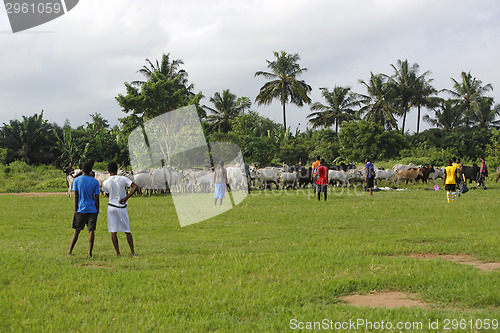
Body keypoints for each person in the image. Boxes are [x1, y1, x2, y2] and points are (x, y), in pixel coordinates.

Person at [102, 161, 138, 256]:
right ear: (117, 169)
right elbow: (135, 187)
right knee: (127, 230)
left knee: (113, 231)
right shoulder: (123, 179)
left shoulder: (105, 182)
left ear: (108, 171)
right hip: (122, 207)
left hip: (111, 207)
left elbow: (107, 193)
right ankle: (132, 252)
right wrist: (126, 198)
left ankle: (118, 253)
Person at [68, 161, 100, 257]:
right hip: (92, 209)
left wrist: (75, 209)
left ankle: (70, 251)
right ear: (91, 171)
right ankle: (90, 252)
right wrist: (97, 210)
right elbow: (97, 197)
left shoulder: (77, 181)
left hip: (80, 209)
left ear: (82, 170)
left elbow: (76, 196)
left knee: (76, 231)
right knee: (91, 231)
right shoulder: (95, 181)